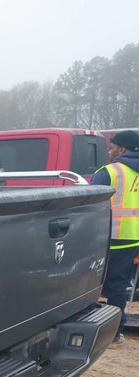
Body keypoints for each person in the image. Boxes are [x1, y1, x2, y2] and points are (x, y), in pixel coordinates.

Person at [91, 129, 139, 347]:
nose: (109, 151)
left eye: (112, 147)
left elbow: (89, 204)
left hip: (107, 237)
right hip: (133, 238)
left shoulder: (110, 172)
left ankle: (102, 331)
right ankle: (116, 332)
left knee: (90, 284)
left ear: (122, 149)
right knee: (119, 285)